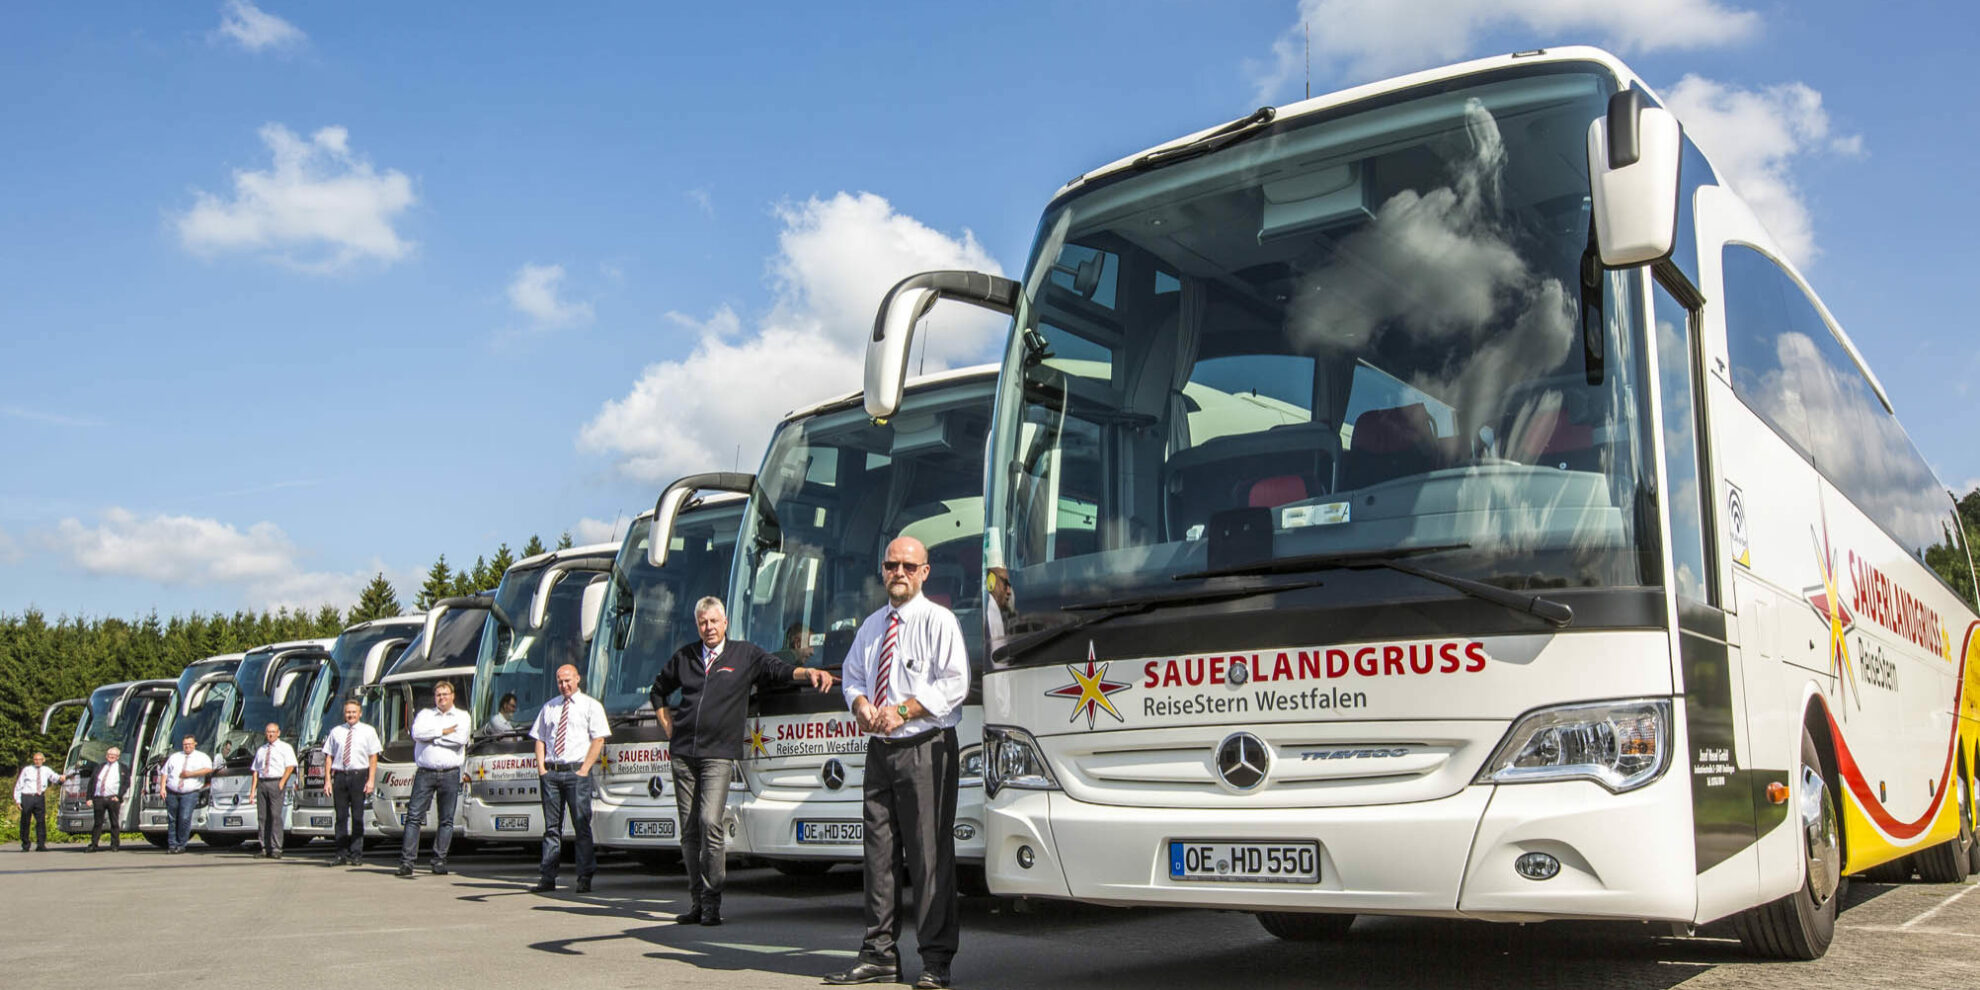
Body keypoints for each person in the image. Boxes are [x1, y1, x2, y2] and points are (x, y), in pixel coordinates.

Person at [824, 536, 971, 990]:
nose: (899, 573)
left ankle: (936, 961)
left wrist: (904, 709)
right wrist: (862, 704)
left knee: (929, 857)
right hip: (880, 752)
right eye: (892, 565)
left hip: (926, 747)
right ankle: (879, 954)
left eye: (909, 566)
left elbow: (956, 683)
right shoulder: (871, 625)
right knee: (878, 855)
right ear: (882, 570)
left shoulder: (939, 620)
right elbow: (851, 676)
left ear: (925, 572)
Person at [651, 597, 836, 926]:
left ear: (725, 624)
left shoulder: (744, 655)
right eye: (702, 623)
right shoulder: (686, 657)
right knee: (689, 832)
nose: (708, 628)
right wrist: (668, 726)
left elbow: (777, 670)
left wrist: (807, 672)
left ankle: (712, 901)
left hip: (718, 755)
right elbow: (659, 689)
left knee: (710, 822)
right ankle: (697, 903)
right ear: (698, 626)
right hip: (683, 756)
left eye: (713, 622)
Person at [529, 664, 609, 893]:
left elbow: (599, 739)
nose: (564, 685)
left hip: (576, 773)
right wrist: (542, 769)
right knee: (552, 828)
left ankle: (584, 877)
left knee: (581, 825)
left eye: (568, 680)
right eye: (560, 681)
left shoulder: (590, 706)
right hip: (552, 772)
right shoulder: (550, 707)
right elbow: (539, 739)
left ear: (577, 679)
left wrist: (584, 769)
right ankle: (547, 877)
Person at [400, 680, 473, 877]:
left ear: (452, 696)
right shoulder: (425, 715)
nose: (441, 698)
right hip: (425, 772)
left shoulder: (462, 716)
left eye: (445, 694)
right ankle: (407, 862)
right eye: (438, 695)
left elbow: (460, 740)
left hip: (450, 773)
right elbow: (416, 733)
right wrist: (443, 731)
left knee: (446, 820)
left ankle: (439, 860)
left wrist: (432, 737)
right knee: (414, 816)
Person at [321, 699, 381, 866]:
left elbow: (373, 757)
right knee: (340, 817)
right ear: (344, 713)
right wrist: (327, 780)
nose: (351, 715)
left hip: (359, 776)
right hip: (340, 775)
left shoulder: (368, 731)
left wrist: (371, 780)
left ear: (360, 713)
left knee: (357, 816)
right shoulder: (336, 732)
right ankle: (340, 854)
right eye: (348, 712)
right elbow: (328, 757)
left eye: (354, 712)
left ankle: (356, 854)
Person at [157, 736, 215, 854]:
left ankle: (181, 844)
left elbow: (209, 769)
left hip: (190, 792)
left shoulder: (201, 757)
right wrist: (162, 788)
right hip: (172, 791)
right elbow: (164, 773)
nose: (187, 746)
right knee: (172, 818)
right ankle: (172, 845)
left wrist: (191, 774)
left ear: (195, 744)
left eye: (189, 744)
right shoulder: (175, 757)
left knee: (184, 817)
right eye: (185, 744)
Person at [249, 723, 297, 859]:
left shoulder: (285, 748)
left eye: (273, 732)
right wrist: (253, 790)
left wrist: (282, 782)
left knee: (275, 816)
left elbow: (290, 766)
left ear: (278, 733)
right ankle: (264, 847)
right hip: (263, 783)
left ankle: (276, 848)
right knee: (262, 817)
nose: (270, 734)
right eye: (268, 732)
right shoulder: (261, 750)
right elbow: (255, 771)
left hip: (276, 782)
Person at [12, 752, 58, 851]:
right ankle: (25, 844)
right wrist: (18, 800)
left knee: (41, 821)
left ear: (43, 760)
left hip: (39, 797)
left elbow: (54, 777)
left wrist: (62, 778)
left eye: (39, 759)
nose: (37, 761)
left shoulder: (46, 770)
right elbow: (19, 785)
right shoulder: (27, 770)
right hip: (27, 796)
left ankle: (41, 844)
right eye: (35, 760)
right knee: (25, 821)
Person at [88, 747, 128, 852]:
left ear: (118, 757)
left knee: (114, 822)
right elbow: (92, 782)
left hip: (113, 799)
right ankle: (94, 844)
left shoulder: (122, 768)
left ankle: (114, 844)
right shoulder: (100, 767)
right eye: (109, 754)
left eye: (114, 755)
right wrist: (89, 798)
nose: (111, 756)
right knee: (97, 823)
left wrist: (119, 796)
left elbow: (126, 784)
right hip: (99, 798)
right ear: (106, 755)